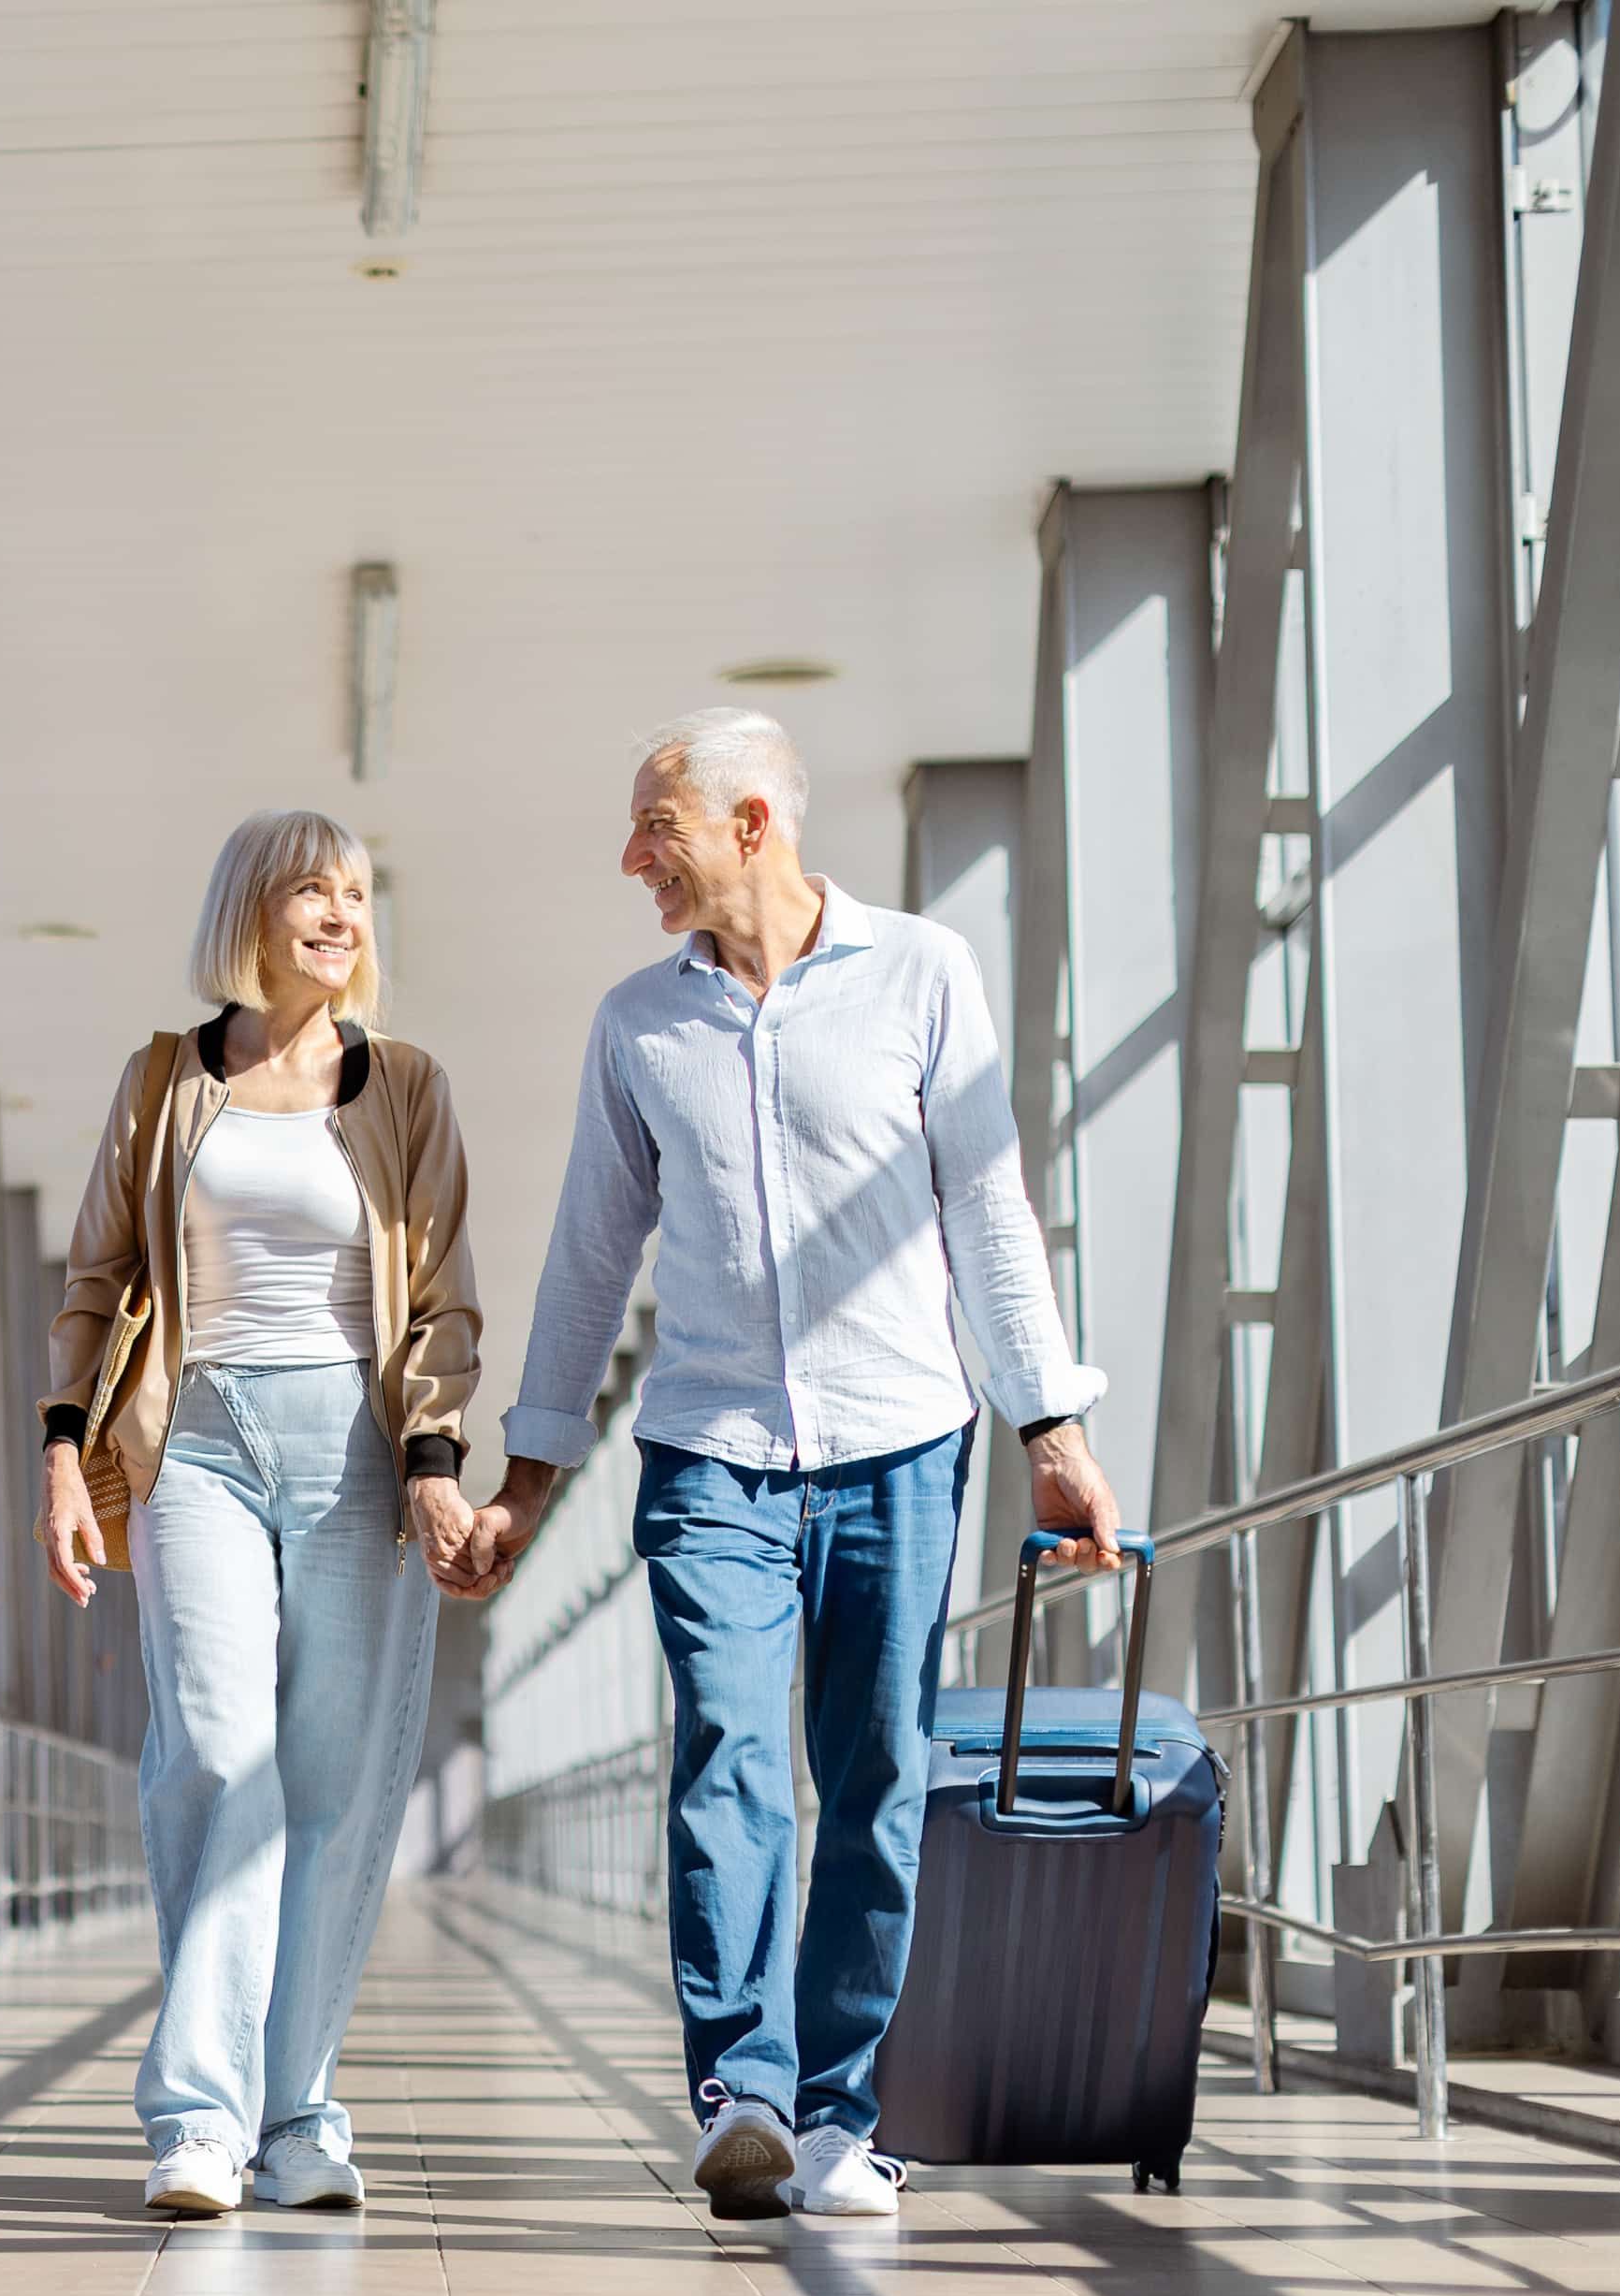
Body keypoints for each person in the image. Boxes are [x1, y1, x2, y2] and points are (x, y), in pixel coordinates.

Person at [443, 708, 1120, 2220]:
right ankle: (744, 2091)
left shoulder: (923, 976)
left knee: (876, 1779)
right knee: (730, 1763)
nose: (632, 859)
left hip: (899, 1441)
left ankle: (843, 2114)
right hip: (711, 1454)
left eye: (654, 829)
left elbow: (988, 1213)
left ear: (753, 824)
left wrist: (1052, 1429)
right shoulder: (637, 1025)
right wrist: (532, 1483)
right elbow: (586, 1262)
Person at [37, 808, 486, 2217]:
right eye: (314, 891)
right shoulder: (168, 1078)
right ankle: (199, 2118)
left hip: (358, 1451)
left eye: (358, 894)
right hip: (199, 1444)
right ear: (252, 909)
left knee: (340, 1782)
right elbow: (98, 1273)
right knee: (217, 1757)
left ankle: (300, 2115)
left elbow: (441, 1300)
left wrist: (431, 1459)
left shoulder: (403, 1085)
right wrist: (65, 1449)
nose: (343, 915)